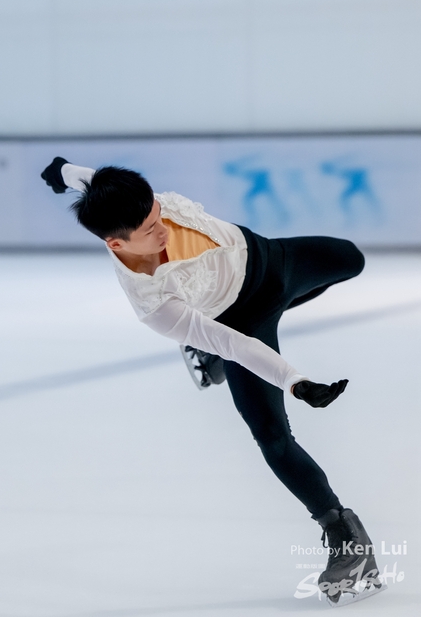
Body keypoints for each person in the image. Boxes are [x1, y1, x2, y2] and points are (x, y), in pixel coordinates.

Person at [41, 157, 384, 605]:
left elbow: (89, 179)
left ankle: (210, 346)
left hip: (269, 257)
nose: (163, 229)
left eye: (157, 213)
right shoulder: (155, 304)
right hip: (238, 325)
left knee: (350, 259)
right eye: (150, 229)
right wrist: (294, 381)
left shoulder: (131, 202)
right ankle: (343, 534)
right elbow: (237, 344)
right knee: (272, 435)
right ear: (115, 243)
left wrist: (63, 171)